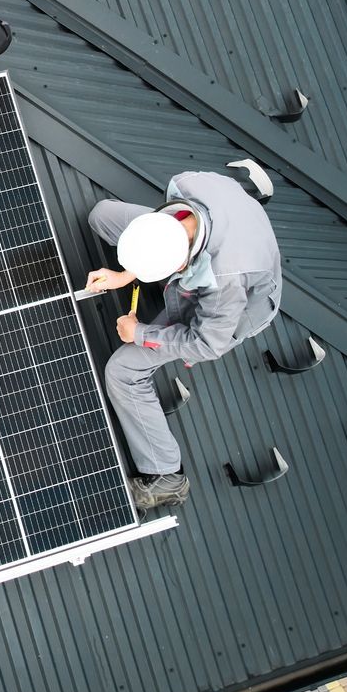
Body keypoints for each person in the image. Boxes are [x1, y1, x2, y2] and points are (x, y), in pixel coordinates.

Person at [82, 171, 282, 512]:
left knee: (123, 371)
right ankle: (147, 271)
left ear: (179, 266)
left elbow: (206, 344)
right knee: (103, 216)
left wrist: (141, 333)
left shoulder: (224, 282)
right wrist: (126, 273)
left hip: (235, 309)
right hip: (204, 242)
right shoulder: (186, 186)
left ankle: (165, 476)